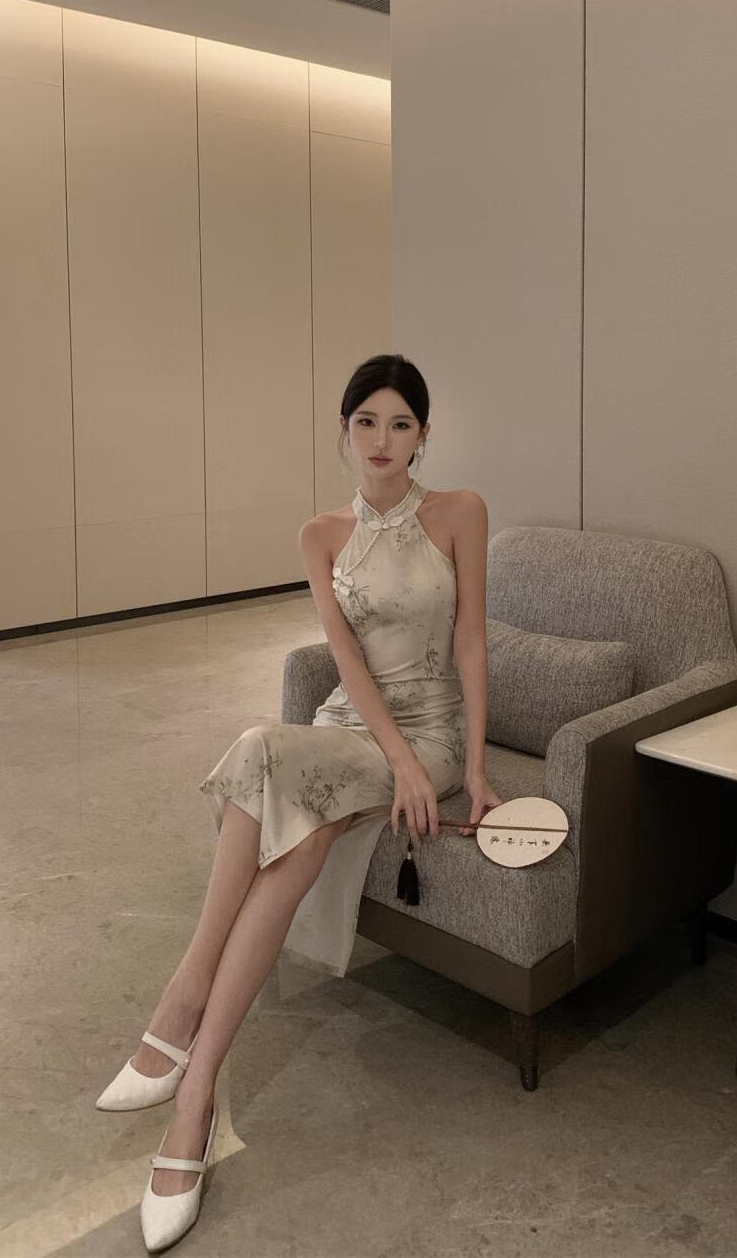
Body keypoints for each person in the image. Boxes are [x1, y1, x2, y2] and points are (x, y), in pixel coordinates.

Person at [96, 353, 501, 1252]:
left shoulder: (460, 513)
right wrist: (386, 757)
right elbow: (344, 661)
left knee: (257, 751)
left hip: (430, 733)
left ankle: (181, 1015)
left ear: (424, 435)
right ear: (343, 433)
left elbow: (472, 643)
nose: (383, 440)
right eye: (366, 422)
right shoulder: (321, 534)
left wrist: (466, 770)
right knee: (299, 835)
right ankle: (198, 1092)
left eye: (401, 424)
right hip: (349, 726)